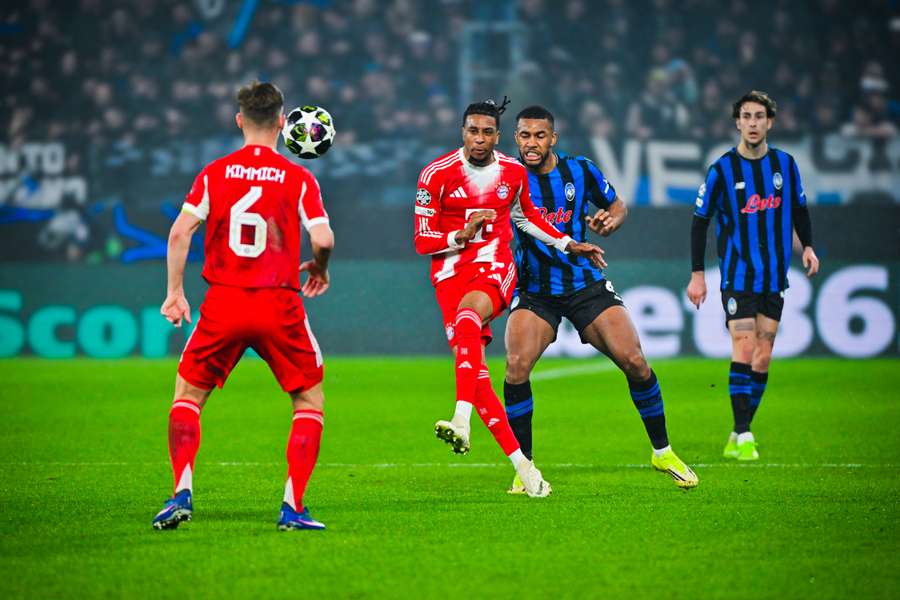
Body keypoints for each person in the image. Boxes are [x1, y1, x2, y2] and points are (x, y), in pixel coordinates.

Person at [152, 81, 333, 531]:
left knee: (188, 396)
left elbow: (179, 232)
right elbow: (323, 238)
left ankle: (180, 494)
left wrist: (175, 292)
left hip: (225, 301)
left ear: (239, 120)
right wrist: (319, 267)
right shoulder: (299, 178)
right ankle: (292, 507)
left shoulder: (214, 173)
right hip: (278, 303)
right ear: (282, 123)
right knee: (308, 399)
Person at [413, 98, 604, 498]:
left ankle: (460, 418)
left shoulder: (512, 172)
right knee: (477, 375)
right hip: (448, 275)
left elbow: (526, 217)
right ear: (462, 132)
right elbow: (422, 240)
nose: (479, 139)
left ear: (498, 136)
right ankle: (526, 469)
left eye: (487, 132)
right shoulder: (436, 175)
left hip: (494, 266)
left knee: (469, 316)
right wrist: (459, 235)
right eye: (472, 131)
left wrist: (568, 243)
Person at [503, 105, 699, 492]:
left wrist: (611, 220)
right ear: (516, 138)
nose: (532, 143)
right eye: (525, 135)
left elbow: (617, 204)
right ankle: (525, 466)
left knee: (635, 361)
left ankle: (662, 452)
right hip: (536, 291)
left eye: (540, 135)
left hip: (585, 284)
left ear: (553, 138)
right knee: (516, 367)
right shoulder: (508, 178)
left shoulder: (580, 170)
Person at [687, 90, 820, 461]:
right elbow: (699, 223)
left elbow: (800, 209)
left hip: (774, 277)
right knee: (744, 348)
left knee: (763, 358)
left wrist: (808, 247)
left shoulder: (785, 165)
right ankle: (745, 434)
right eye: (746, 116)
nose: (753, 123)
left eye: (759, 116)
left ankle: (738, 430)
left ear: (770, 122)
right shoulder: (722, 170)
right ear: (737, 123)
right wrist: (698, 275)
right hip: (738, 275)